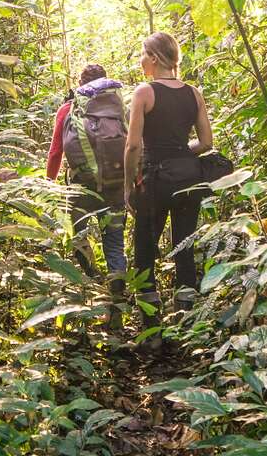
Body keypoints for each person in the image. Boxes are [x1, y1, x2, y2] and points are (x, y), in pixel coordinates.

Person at [123, 32, 213, 332]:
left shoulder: (144, 93)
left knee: (145, 245)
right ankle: (187, 320)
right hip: (190, 176)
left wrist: (127, 185)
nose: (139, 61)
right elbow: (205, 143)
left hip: (156, 179)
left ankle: (151, 324)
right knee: (184, 243)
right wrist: (179, 153)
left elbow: (133, 146)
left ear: (154, 57)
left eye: (141, 54)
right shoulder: (193, 93)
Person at [46, 64, 128, 297]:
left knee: (79, 237)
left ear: (80, 83)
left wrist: (48, 185)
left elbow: (55, 152)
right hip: (115, 183)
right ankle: (117, 296)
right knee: (114, 243)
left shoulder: (68, 110)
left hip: (81, 186)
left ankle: (92, 284)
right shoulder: (119, 108)